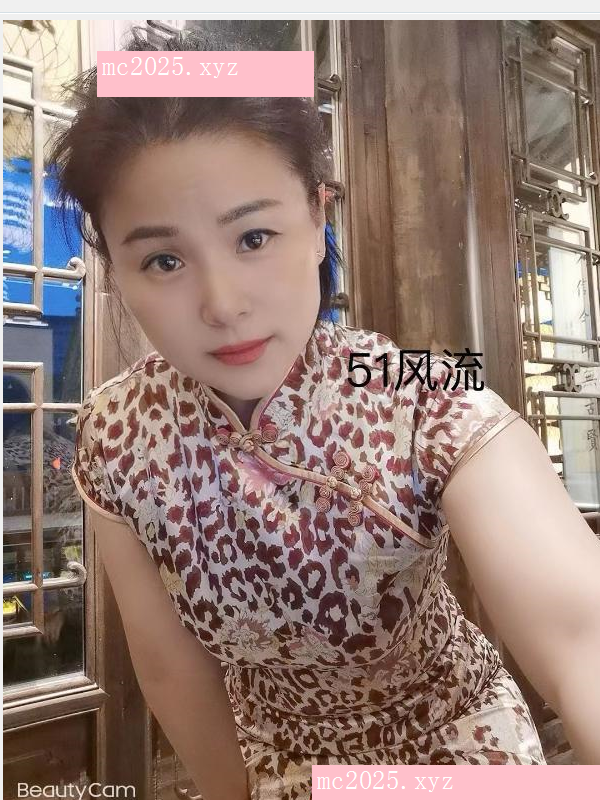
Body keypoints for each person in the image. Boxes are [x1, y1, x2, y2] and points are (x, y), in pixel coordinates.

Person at [51, 26, 600, 800]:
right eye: (164, 260)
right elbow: (170, 666)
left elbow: (582, 632)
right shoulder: (117, 433)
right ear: (115, 268)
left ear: (317, 219)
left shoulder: (413, 386)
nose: (223, 304)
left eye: (253, 236)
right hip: (277, 768)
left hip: (461, 755)